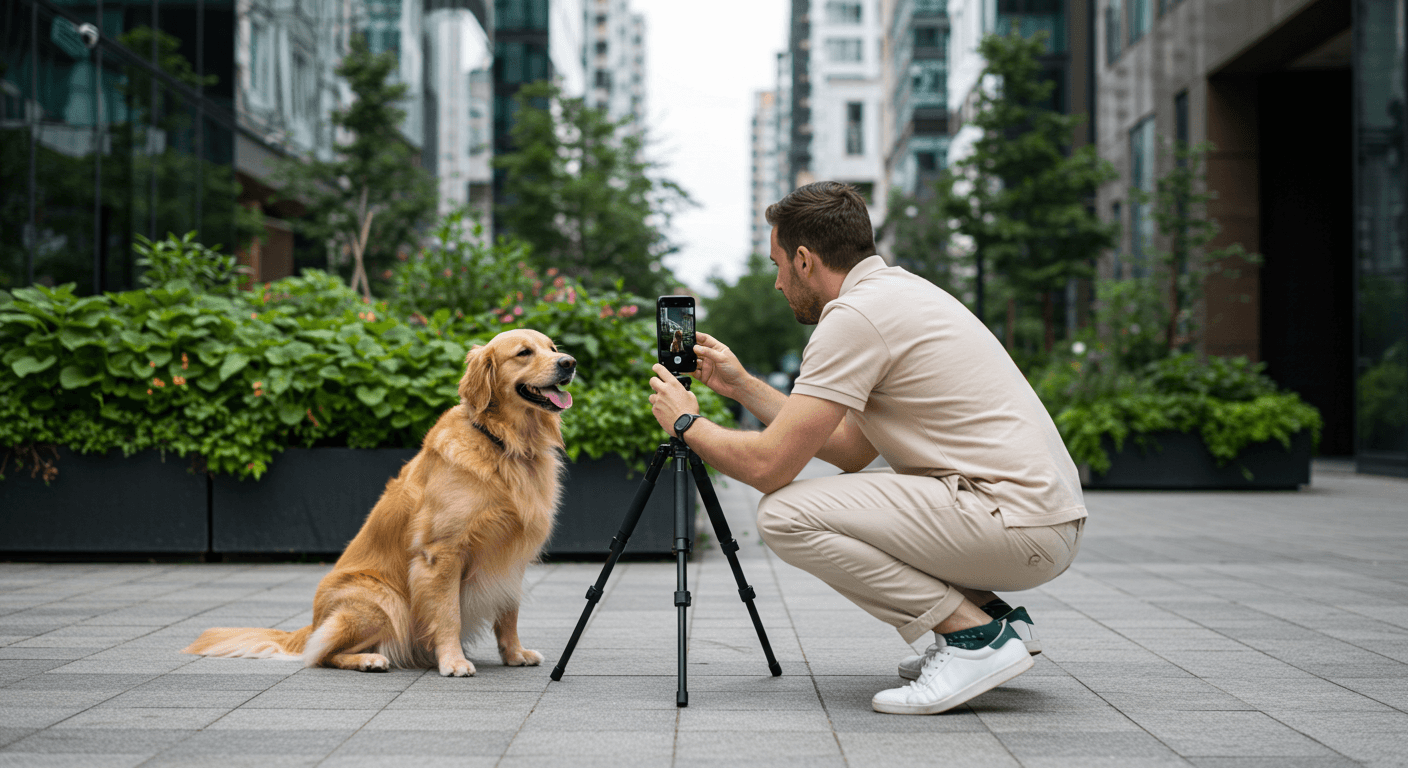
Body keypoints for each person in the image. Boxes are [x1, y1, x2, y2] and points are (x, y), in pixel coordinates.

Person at [647, 181, 1086, 715]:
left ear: (805, 260)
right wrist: (742, 386)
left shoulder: (853, 318)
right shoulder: (897, 294)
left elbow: (768, 468)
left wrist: (687, 422)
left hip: (1014, 524)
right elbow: (852, 449)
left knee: (786, 514)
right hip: (1037, 518)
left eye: (777, 264)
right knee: (840, 499)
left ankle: (976, 639)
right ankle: (992, 616)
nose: (777, 284)